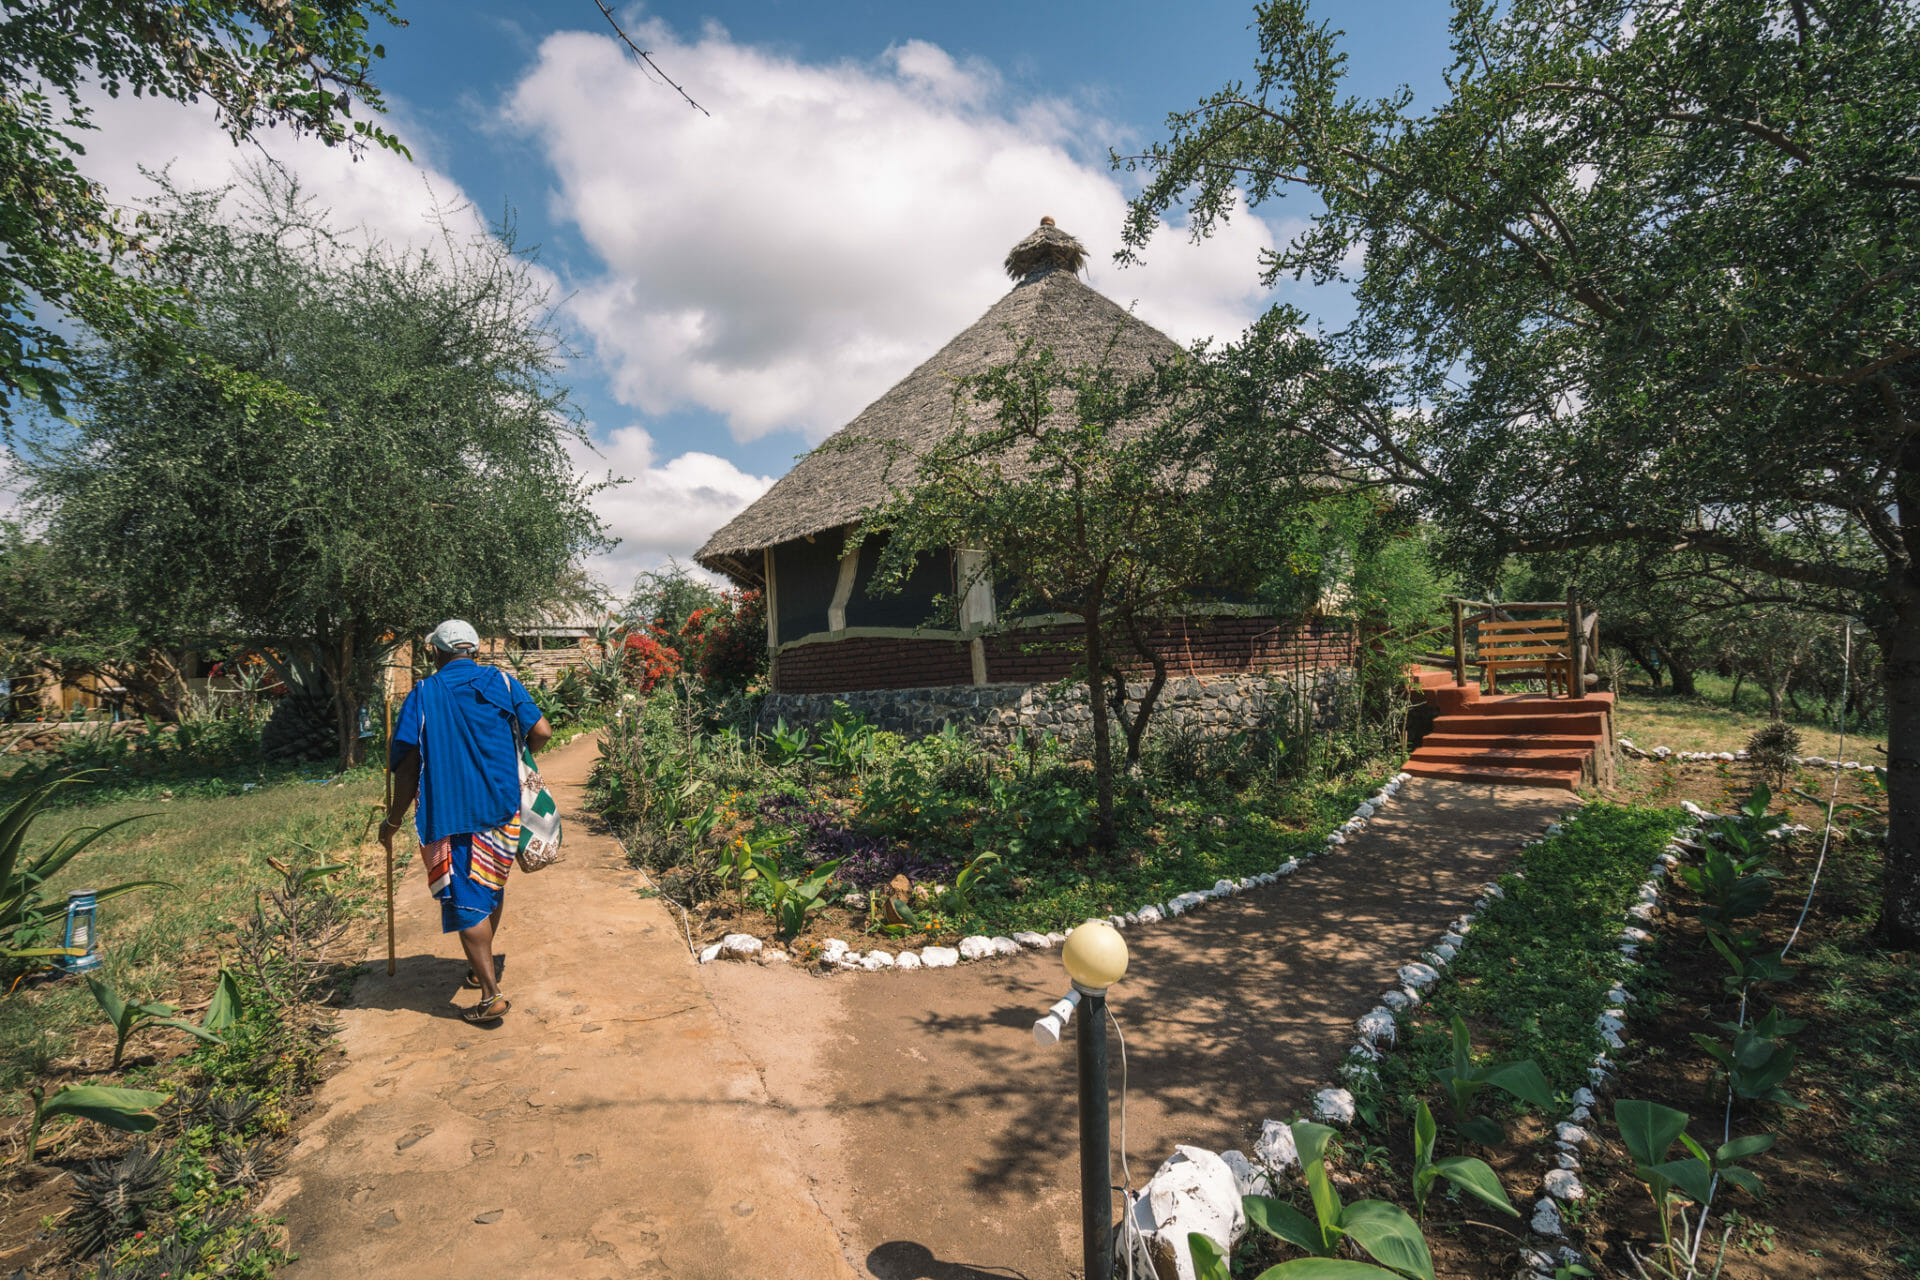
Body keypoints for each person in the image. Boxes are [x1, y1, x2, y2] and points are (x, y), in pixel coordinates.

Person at [379, 619, 552, 1024]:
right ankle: (479, 968)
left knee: (466, 898)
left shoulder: (424, 693)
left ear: (435, 652)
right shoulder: (503, 682)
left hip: (453, 813)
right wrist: (517, 758)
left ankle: (491, 996)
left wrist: (393, 819)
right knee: (490, 884)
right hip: (505, 807)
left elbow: (407, 767)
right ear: (473, 650)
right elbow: (542, 731)